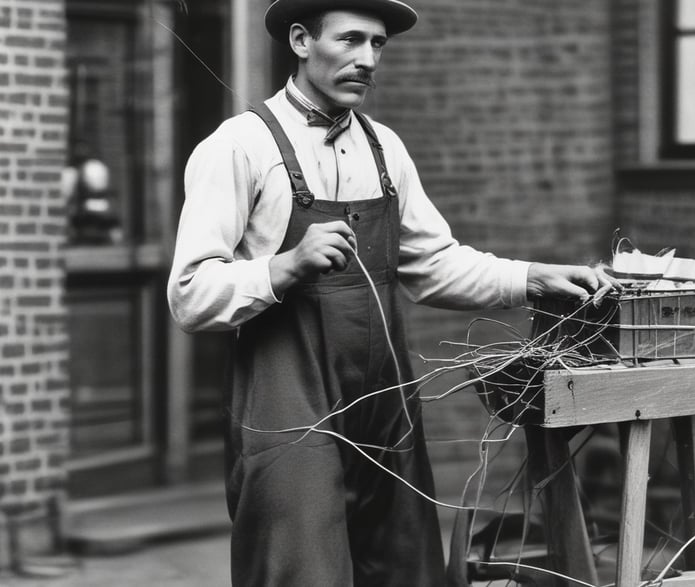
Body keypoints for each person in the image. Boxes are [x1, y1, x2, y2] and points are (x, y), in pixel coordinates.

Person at [167, 0, 618, 585]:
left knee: (404, 564)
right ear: (301, 41)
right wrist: (283, 267)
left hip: (386, 400)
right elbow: (190, 293)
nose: (367, 59)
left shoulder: (385, 148)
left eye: (377, 44)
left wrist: (532, 276)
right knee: (299, 567)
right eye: (350, 39)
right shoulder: (238, 146)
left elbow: (434, 265)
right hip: (288, 402)